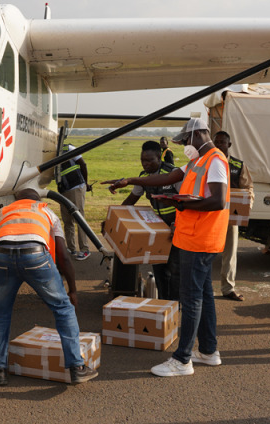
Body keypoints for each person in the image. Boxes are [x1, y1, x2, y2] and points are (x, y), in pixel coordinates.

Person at [105, 117, 228, 377]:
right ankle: (208, 351)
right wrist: (128, 180)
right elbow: (168, 177)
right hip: (193, 238)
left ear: (197, 135)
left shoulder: (215, 161)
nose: (184, 145)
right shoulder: (196, 162)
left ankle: (182, 360)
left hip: (200, 239)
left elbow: (218, 201)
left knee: (191, 298)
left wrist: (185, 205)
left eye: (185, 141)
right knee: (203, 295)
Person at [0, 188, 98, 385]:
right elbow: (62, 255)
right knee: (63, 309)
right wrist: (72, 290)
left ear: (16, 200)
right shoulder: (46, 211)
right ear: (37, 200)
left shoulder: (1, 213)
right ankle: (76, 367)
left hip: (2, 256)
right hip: (35, 255)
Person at [109, 140, 181, 299]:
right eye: (143, 160)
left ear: (159, 158)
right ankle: (163, 303)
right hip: (159, 230)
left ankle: (176, 306)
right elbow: (131, 200)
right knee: (159, 269)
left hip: (177, 227)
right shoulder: (143, 177)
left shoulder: (173, 173)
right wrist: (113, 219)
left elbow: (185, 204)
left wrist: (177, 224)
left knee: (176, 270)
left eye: (150, 160)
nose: (145, 164)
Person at [212, 130, 252, 302]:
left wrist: (245, 204)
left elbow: (248, 188)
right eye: (217, 142)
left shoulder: (238, 165)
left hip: (230, 217)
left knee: (230, 253)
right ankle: (203, 288)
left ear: (229, 145)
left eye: (222, 142)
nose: (219, 145)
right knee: (207, 252)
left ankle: (228, 289)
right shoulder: (209, 163)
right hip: (211, 215)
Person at [56, 143, 92, 260]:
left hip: (76, 187)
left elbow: (83, 164)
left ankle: (85, 249)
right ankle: (71, 248)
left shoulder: (68, 148)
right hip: (64, 189)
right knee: (67, 220)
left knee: (79, 218)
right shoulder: (50, 152)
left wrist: (85, 184)